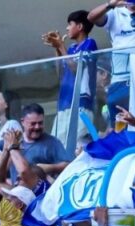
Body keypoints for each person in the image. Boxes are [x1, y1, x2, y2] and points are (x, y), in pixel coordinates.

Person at [44, 10, 99, 147]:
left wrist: (61, 47)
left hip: (81, 104)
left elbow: (76, 69)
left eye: (70, 24)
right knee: (58, 146)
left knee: (76, 146)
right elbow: (61, 73)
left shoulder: (89, 43)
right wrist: (57, 49)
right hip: (64, 103)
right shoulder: (71, 48)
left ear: (80, 27)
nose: (67, 28)